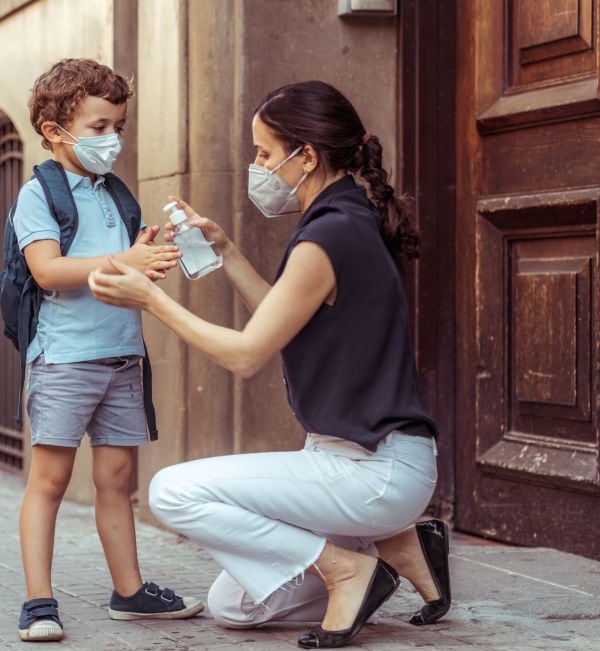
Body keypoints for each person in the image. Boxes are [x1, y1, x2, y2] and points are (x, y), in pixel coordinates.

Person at [89, 80, 451, 648]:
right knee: (235, 607)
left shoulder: (327, 236)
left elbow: (248, 353)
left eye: (263, 153)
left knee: (171, 492)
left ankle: (348, 567)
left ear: (305, 155)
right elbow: (282, 321)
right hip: (362, 466)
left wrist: (151, 301)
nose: (257, 167)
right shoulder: (346, 218)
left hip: (372, 469)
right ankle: (394, 543)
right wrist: (228, 251)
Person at [12, 59, 203, 643]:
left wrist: (145, 252)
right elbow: (48, 270)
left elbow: (120, 273)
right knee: (48, 480)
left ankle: (130, 591)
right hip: (65, 357)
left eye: (117, 125)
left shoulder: (116, 193)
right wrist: (125, 260)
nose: (111, 138)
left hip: (122, 355)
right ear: (55, 131)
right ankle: (39, 602)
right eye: (98, 126)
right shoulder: (37, 194)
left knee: (117, 479)